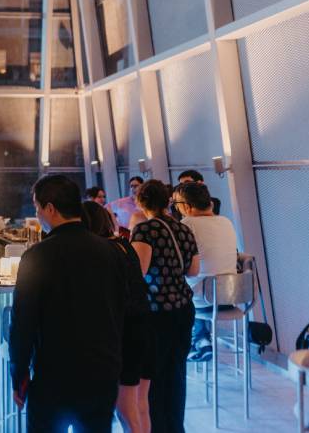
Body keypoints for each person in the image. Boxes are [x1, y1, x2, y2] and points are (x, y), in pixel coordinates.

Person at [10, 174, 127, 432]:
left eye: (38, 208)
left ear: (50, 208)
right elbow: (122, 311)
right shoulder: (113, 252)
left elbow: (23, 321)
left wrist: (18, 373)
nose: (38, 214)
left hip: (54, 374)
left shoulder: (37, 255)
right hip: (103, 371)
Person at [130, 180, 200, 433]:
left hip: (156, 312)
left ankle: (157, 427)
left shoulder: (144, 231)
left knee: (153, 376)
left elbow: (138, 273)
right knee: (176, 372)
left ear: (141, 202)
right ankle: (175, 427)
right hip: (183, 308)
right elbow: (193, 270)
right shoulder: (183, 229)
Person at [83, 201, 152, 433]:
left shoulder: (102, 252)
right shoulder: (123, 245)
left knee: (125, 410)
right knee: (139, 406)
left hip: (127, 333)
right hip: (144, 327)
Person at [172, 182, 238, 362]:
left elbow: (179, 265)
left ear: (186, 206)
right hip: (233, 296)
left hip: (204, 299)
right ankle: (200, 341)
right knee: (197, 285)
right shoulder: (226, 222)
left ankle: (191, 343)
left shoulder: (186, 224)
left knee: (180, 289)